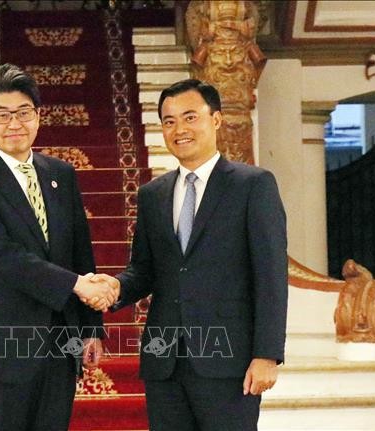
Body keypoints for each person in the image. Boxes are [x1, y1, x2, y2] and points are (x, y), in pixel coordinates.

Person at [91, 79, 288, 430]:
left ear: (216, 119)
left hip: (228, 361)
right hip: (164, 361)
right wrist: (114, 288)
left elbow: (271, 276)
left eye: (190, 117)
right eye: (169, 121)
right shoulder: (153, 195)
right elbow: (145, 270)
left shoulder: (253, 185)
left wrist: (267, 354)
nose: (179, 129)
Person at [0, 63, 118, 431]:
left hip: (59, 344)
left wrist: (91, 327)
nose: (14, 124)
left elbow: (79, 252)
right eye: (2, 115)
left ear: (38, 116)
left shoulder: (61, 174)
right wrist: (75, 284)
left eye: (24, 113)